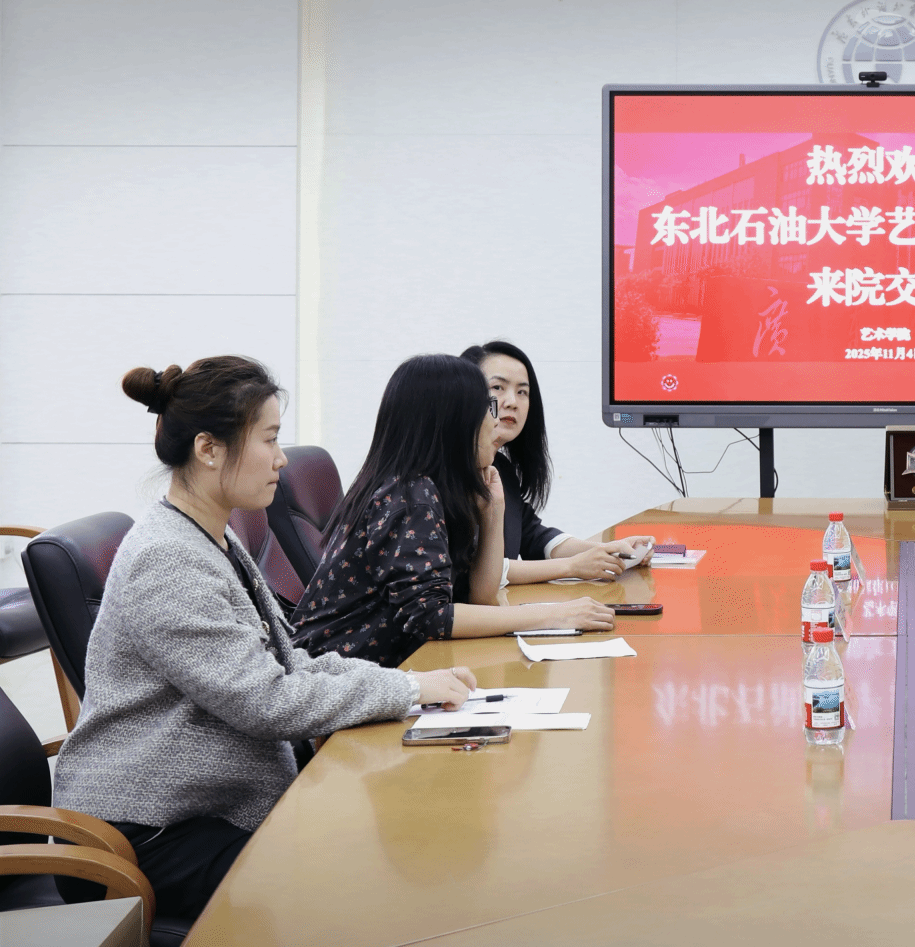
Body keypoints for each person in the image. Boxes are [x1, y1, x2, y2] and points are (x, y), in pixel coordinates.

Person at [53, 357, 476, 921]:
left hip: (199, 812)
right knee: (358, 881)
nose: (281, 459)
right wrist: (407, 691)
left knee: (378, 846)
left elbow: (287, 663)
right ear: (208, 449)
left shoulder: (211, 538)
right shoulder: (167, 560)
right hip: (141, 835)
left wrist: (409, 684)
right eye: (270, 439)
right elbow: (267, 701)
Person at [292, 354, 616, 667]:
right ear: (453, 422)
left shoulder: (442, 488)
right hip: (332, 674)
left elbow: (480, 598)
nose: (495, 421)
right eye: (486, 408)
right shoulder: (409, 494)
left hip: (384, 670)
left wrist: (493, 512)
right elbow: (431, 618)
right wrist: (554, 614)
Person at [461, 340, 652, 585]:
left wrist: (610, 550)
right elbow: (474, 570)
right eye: (498, 387)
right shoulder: (448, 472)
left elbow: (532, 535)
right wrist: (572, 566)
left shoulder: (502, 468)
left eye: (522, 392)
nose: (512, 402)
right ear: (464, 392)